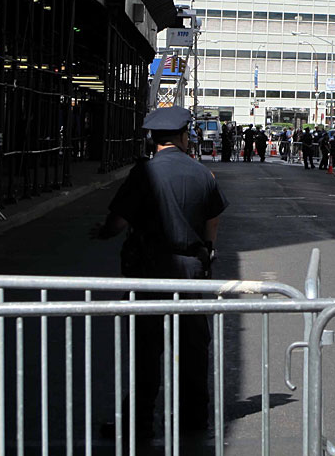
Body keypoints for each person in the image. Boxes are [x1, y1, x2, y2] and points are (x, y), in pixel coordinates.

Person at [93, 106, 228, 439]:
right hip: (190, 269)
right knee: (193, 345)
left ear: (154, 139)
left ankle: (139, 422)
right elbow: (213, 218)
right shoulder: (203, 174)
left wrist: (103, 232)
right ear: (182, 136)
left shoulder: (144, 173)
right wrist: (208, 249)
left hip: (150, 268)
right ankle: (194, 417)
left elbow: (118, 222)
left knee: (147, 348)